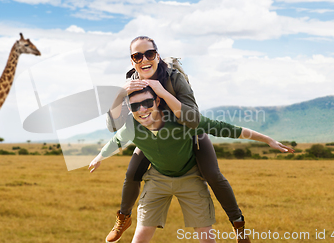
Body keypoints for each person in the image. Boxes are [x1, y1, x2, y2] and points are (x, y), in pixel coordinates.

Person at [102, 36, 293, 243]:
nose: (143, 60)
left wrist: (162, 93)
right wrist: (119, 95)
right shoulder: (131, 85)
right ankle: (123, 218)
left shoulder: (174, 78)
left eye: (149, 54)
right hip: (154, 138)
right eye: (137, 56)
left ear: (157, 54)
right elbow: (114, 126)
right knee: (132, 173)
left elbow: (193, 119)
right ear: (132, 61)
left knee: (213, 175)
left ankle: (238, 225)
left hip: (189, 133)